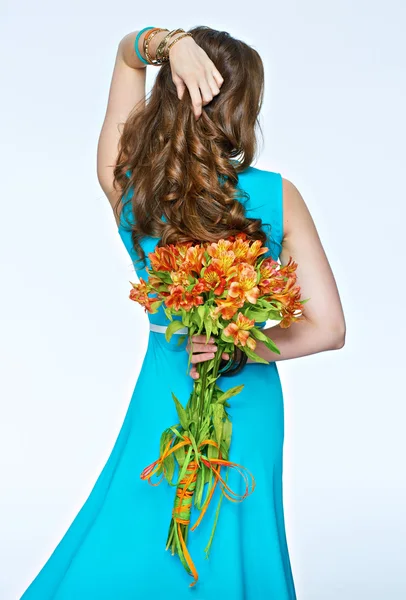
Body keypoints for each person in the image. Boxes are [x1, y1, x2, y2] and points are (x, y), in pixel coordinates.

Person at [20, 25, 346, 599]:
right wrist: (242, 348)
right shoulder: (276, 195)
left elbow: (125, 57)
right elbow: (328, 328)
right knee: (230, 544)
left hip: (163, 391)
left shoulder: (133, 187)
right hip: (247, 399)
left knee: (133, 536)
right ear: (244, 106)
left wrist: (164, 45)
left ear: (170, 94)